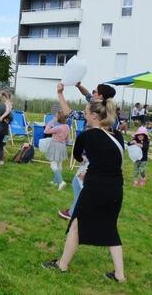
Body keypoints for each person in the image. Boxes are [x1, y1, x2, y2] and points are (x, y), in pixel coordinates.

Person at [42, 98, 127, 283]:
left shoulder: (86, 136)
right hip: (116, 189)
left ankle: (62, 265)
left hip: (95, 187)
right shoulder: (118, 136)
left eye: (87, 113)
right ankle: (120, 275)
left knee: (76, 225)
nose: (84, 116)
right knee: (111, 228)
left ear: (95, 116)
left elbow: (78, 157)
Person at [57, 83, 116, 220]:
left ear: (100, 96)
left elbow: (69, 113)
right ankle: (79, 210)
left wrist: (60, 94)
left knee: (80, 183)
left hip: (92, 153)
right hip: (100, 153)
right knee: (82, 182)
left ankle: (75, 212)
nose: (92, 93)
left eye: (95, 91)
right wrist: (79, 86)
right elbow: (87, 95)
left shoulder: (95, 112)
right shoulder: (107, 108)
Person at [45, 110, 70, 190]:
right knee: (59, 164)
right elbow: (68, 139)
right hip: (62, 146)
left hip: (55, 146)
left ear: (58, 118)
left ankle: (61, 182)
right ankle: (55, 181)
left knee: (53, 165)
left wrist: (52, 121)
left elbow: (45, 131)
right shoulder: (67, 127)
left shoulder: (58, 128)